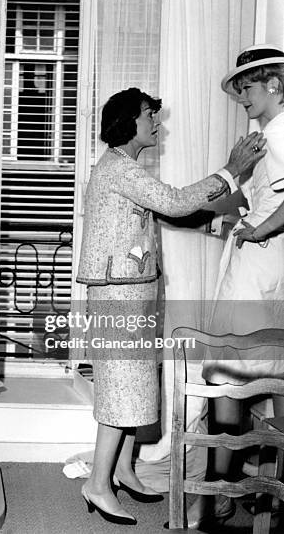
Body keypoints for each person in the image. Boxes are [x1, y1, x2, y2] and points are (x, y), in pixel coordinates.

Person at [76, 87, 265, 526]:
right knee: (123, 390)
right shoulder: (119, 168)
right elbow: (176, 201)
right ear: (128, 122)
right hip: (118, 298)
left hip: (131, 294)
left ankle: (122, 470)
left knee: (137, 387)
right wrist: (230, 172)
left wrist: (226, 221)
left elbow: (172, 214)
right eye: (149, 116)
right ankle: (97, 484)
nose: (156, 123)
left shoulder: (125, 169)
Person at [188, 44, 284, 528]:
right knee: (237, 373)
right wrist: (206, 212)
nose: (242, 96)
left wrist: (259, 230)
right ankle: (232, 489)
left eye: (247, 86)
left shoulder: (282, 132)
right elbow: (247, 196)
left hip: (260, 270)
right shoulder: (266, 136)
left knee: (226, 372)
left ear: (274, 84)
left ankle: (220, 492)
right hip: (254, 268)